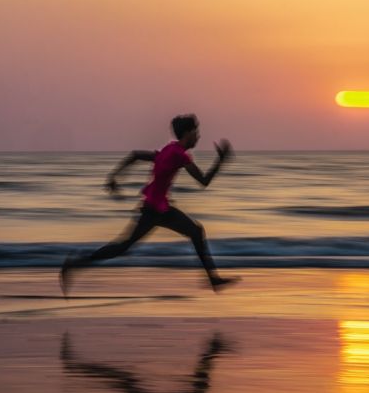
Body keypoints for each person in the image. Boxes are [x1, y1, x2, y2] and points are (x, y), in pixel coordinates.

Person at [59, 114, 240, 296]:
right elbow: (204, 181)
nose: (198, 136)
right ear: (187, 133)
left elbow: (135, 155)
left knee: (125, 246)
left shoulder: (170, 150)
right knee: (194, 232)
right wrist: (220, 161)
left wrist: (114, 176)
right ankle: (213, 280)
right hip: (157, 210)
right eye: (196, 132)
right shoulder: (180, 155)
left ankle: (75, 264)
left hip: (154, 207)